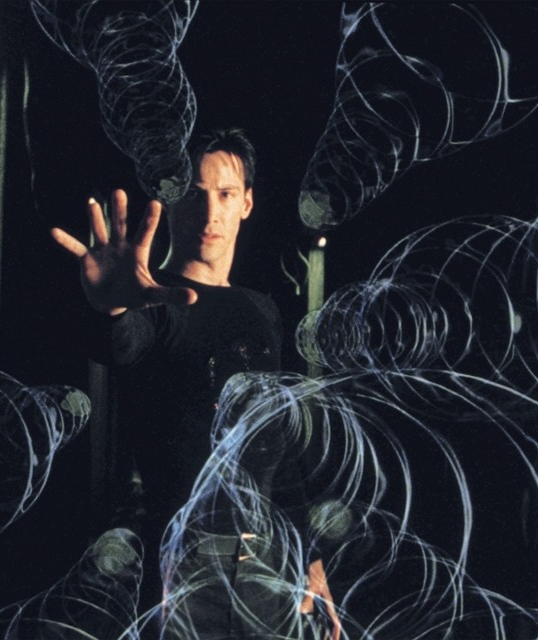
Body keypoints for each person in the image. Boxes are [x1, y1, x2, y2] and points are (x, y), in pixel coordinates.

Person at [52, 129, 341, 639]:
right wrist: (113, 307)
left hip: (268, 564)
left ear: (246, 203)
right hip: (184, 566)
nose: (211, 213)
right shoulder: (155, 303)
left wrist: (310, 559)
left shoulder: (261, 310)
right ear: (169, 201)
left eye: (225, 194)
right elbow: (120, 343)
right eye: (195, 194)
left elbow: (275, 446)